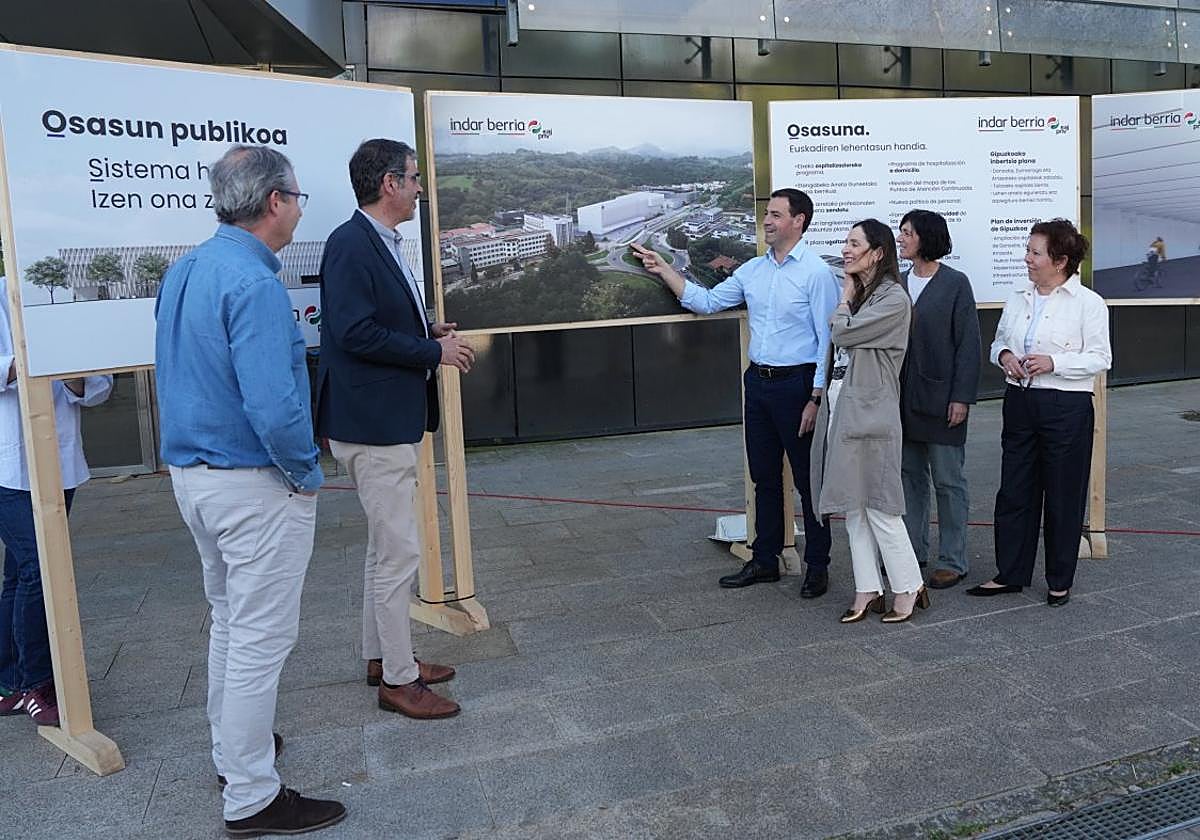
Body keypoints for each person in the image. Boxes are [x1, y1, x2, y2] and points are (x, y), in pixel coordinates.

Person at [155, 145, 346, 836]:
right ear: (274, 202)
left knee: (232, 623)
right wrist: (303, 473)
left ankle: (235, 754)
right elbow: (274, 406)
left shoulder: (186, 270)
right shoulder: (257, 285)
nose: (298, 208)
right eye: (297, 197)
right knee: (261, 637)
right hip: (253, 485)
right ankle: (251, 795)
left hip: (195, 481)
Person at [316, 139, 472, 719]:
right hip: (372, 421)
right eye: (413, 178)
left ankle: (384, 657)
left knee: (386, 548)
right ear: (388, 183)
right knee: (398, 551)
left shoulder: (378, 241)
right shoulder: (351, 244)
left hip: (383, 415)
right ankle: (399, 681)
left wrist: (426, 328)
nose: (419, 189)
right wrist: (432, 351)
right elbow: (354, 332)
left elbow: (377, 319)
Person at [632, 189, 838, 597]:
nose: (767, 221)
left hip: (798, 386)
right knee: (763, 477)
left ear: (799, 221)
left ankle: (818, 565)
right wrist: (663, 269)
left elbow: (826, 342)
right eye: (767, 214)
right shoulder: (753, 271)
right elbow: (705, 302)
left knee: (808, 481)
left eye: (776, 215)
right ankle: (764, 561)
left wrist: (816, 398)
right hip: (758, 383)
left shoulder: (816, 273)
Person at [968, 219, 1111, 607]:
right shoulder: (1019, 296)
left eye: (1035, 252)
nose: (1027, 259)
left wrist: (1054, 362)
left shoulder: (1089, 304)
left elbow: (1101, 358)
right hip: (1020, 401)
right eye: (1028, 250)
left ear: (1061, 260)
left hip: (1066, 407)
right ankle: (1010, 573)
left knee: (1063, 494)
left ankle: (1059, 579)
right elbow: (998, 341)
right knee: (1014, 490)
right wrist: (1006, 356)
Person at [0, 276, 111, 726]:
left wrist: (75, 375)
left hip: (57, 462)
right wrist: (31, 358)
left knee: (18, 575)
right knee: (38, 569)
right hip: (7, 464)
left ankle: (8, 678)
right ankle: (35, 682)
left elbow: (100, 385)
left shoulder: (66, 298)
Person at [811, 219, 929, 624]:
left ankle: (909, 585)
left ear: (877, 253)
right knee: (853, 505)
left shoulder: (893, 299)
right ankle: (867, 588)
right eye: (845, 242)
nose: (845, 249)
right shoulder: (865, 297)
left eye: (854, 243)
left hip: (872, 410)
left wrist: (843, 301)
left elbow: (842, 334)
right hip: (844, 404)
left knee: (879, 504)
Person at [896, 210, 981, 590]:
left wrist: (961, 397)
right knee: (909, 479)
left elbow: (969, 346)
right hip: (901, 401)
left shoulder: (955, 284)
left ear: (926, 238)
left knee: (948, 481)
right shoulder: (895, 284)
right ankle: (912, 554)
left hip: (942, 400)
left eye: (907, 233)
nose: (901, 239)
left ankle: (953, 559)